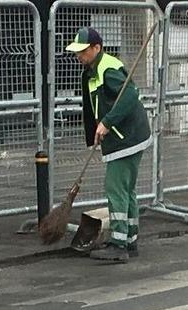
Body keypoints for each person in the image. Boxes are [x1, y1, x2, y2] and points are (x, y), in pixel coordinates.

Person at [66, 27, 152, 262]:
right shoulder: (94, 69)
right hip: (128, 135)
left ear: (97, 48)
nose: (79, 56)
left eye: (83, 52)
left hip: (125, 137)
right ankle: (130, 240)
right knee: (126, 189)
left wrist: (106, 122)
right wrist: (97, 128)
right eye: (77, 52)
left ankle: (118, 244)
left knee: (115, 189)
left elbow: (129, 96)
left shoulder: (108, 69)